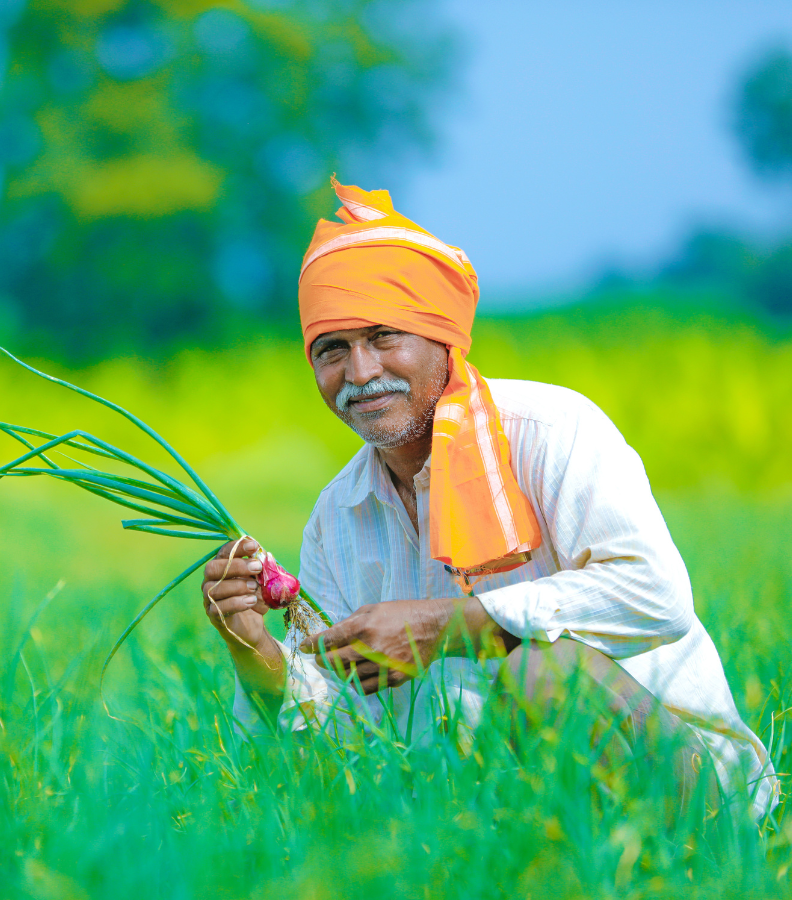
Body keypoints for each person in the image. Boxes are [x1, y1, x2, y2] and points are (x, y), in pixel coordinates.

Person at [200, 177, 777, 820]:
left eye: (385, 336)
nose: (360, 374)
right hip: (489, 808)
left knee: (543, 676)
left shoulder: (552, 432)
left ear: (441, 337)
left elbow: (654, 596)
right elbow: (341, 736)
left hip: (687, 790)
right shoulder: (338, 517)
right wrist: (252, 649)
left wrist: (446, 627)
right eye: (332, 350)